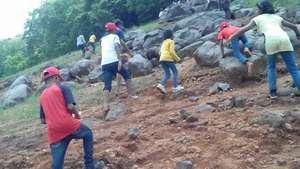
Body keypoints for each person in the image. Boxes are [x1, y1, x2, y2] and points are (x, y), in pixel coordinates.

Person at [229, 0, 300, 99]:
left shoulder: (257, 19)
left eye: (257, 8)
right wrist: (297, 36)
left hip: (271, 41)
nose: (256, 10)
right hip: (285, 39)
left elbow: (243, 29)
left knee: (271, 67)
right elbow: (294, 27)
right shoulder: (277, 17)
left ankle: (273, 92)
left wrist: (232, 36)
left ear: (262, 9)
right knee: (293, 69)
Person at [39, 67, 95, 169]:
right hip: (68, 124)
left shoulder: (42, 96)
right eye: (59, 79)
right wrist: (77, 116)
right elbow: (70, 106)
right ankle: (89, 166)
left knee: (57, 166)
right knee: (88, 133)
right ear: (56, 78)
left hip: (54, 132)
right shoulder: (62, 88)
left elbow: (43, 120)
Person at [100, 22, 136, 112]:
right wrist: (120, 60)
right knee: (126, 75)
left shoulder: (103, 39)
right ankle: (131, 95)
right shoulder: (114, 36)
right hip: (114, 61)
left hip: (104, 63)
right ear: (113, 30)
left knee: (107, 85)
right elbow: (116, 46)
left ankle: (105, 105)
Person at [156, 30, 184, 94]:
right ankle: (175, 87)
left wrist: (162, 58)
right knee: (175, 72)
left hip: (161, 59)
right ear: (171, 35)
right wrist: (178, 59)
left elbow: (160, 52)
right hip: (168, 58)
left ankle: (161, 85)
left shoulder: (163, 42)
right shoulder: (171, 41)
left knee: (167, 74)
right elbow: (172, 52)